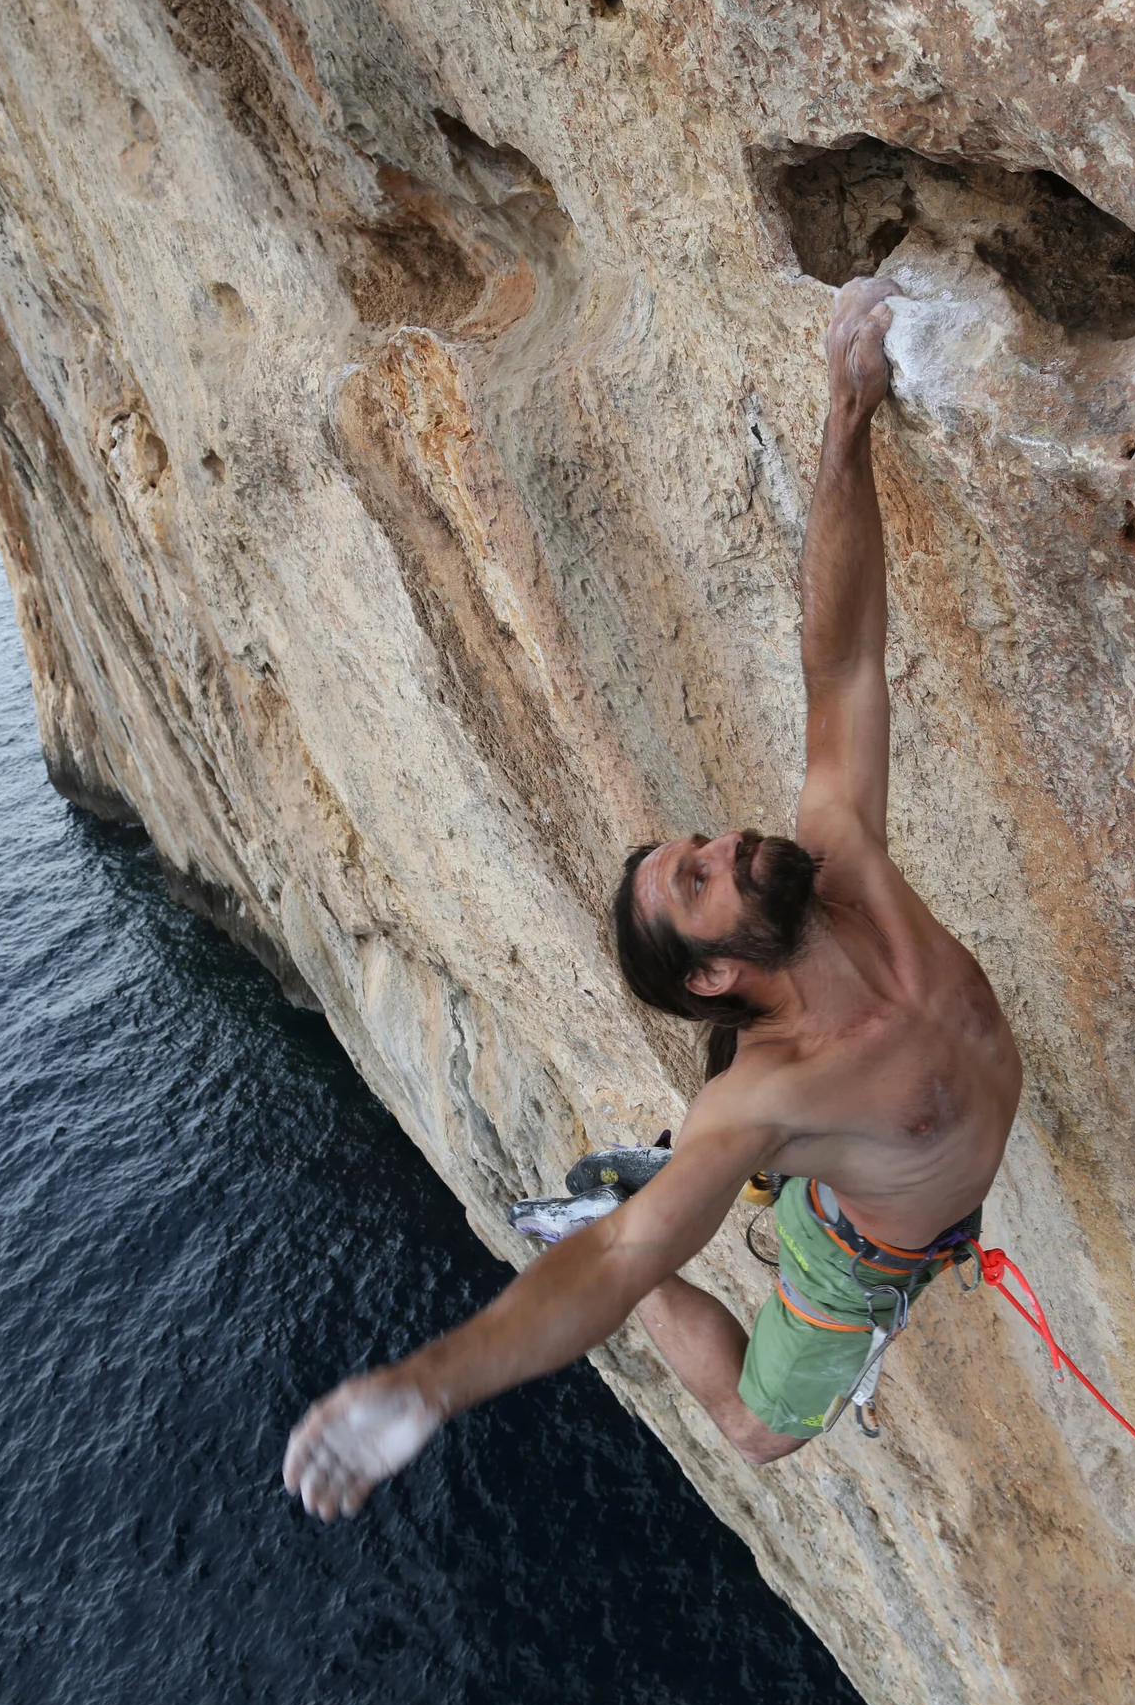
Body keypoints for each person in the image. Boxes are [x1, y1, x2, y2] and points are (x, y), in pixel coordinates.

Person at [284, 277, 1023, 1519]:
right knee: (752, 1431)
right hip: (855, 1254)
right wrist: (422, 1388)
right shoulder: (765, 1101)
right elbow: (625, 1267)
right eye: (701, 876)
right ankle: (617, 1185)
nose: (731, 842)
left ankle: (712, 1179)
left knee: (794, 1179)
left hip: (869, 1175)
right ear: (713, 974)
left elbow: (837, 656)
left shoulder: (844, 861)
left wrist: (845, 417)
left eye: (703, 843)